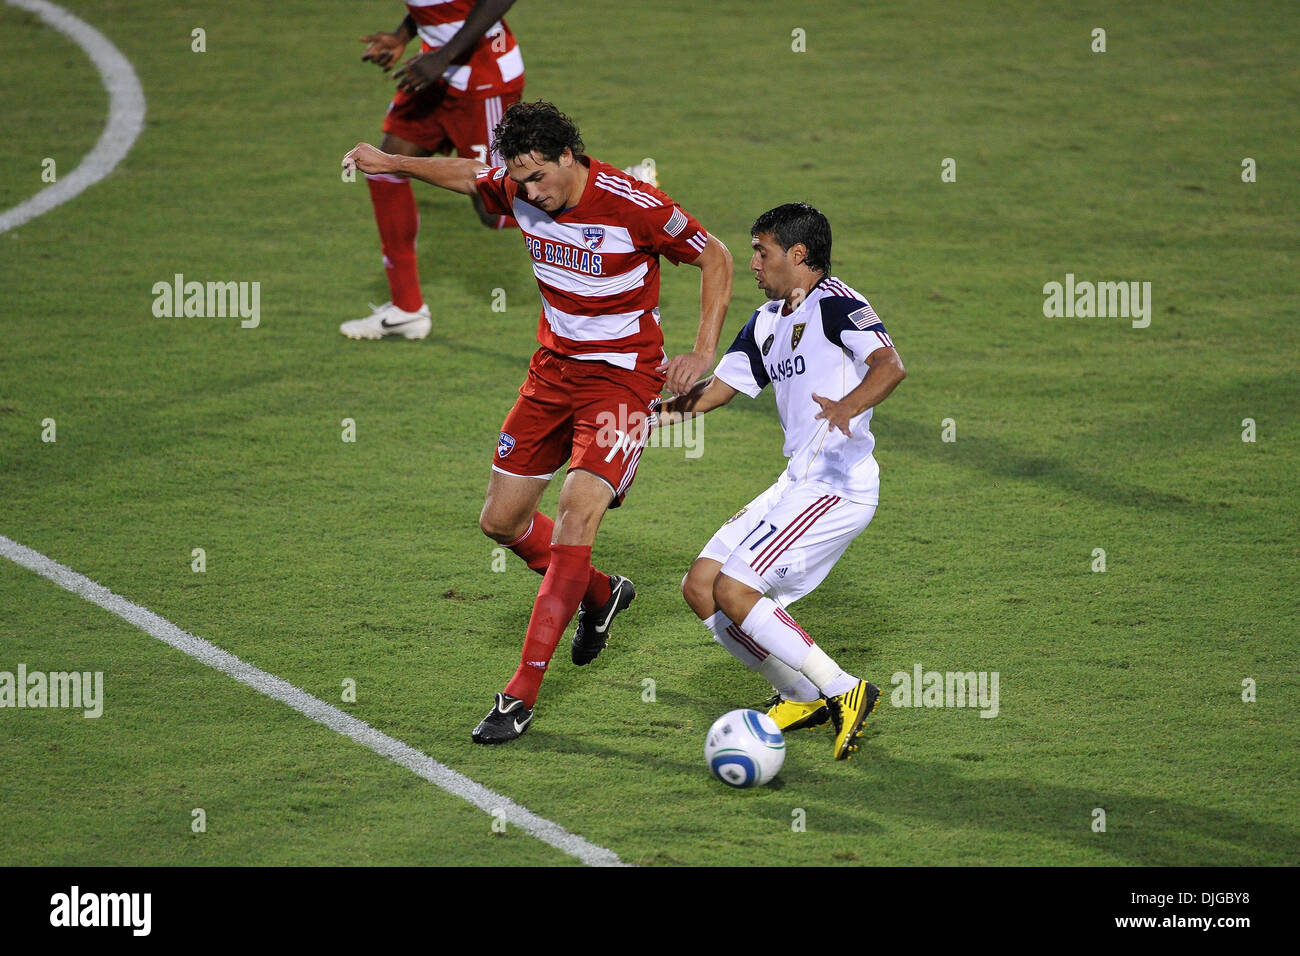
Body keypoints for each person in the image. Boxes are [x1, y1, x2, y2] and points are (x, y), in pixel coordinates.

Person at [343, 101, 733, 743]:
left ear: (569, 159)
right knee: (501, 521)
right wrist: (392, 162)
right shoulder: (516, 187)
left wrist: (701, 349)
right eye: (518, 181)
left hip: (622, 379)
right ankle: (601, 592)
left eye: (535, 179)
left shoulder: (633, 203)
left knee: (580, 511)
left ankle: (519, 693)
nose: (525, 193)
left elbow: (713, 255)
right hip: (551, 373)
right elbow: (471, 175)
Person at [659, 203, 905, 760]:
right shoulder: (766, 321)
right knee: (700, 586)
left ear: (798, 255)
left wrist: (847, 406)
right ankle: (800, 695)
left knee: (736, 589)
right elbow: (719, 390)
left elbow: (890, 366)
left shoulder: (838, 305)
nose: (753, 263)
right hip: (797, 480)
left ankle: (844, 689)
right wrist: (651, 412)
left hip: (837, 486)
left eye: (761, 251)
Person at [341, 0, 526, 340]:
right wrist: (401, 35)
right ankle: (407, 309)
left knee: (495, 205)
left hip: (482, 79)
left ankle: (609, 195)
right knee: (384, 166)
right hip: (432, 73)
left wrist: (444, 56)